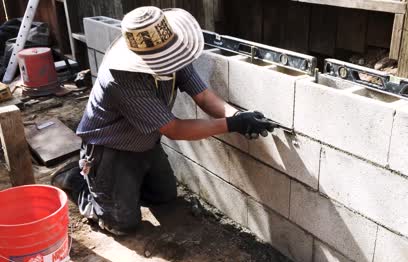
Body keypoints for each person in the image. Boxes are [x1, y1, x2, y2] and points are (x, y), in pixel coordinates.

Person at [52, 6, 277, 235]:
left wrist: (238, 115)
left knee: (164, 197)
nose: (171, 61)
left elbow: (203, 96)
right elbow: (174, 129)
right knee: (122, 224)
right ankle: (80, 182)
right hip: (110, 149)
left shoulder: (172, 51)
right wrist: (232, 125)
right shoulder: (120, 77)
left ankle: (118, 190)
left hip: (145, 143)